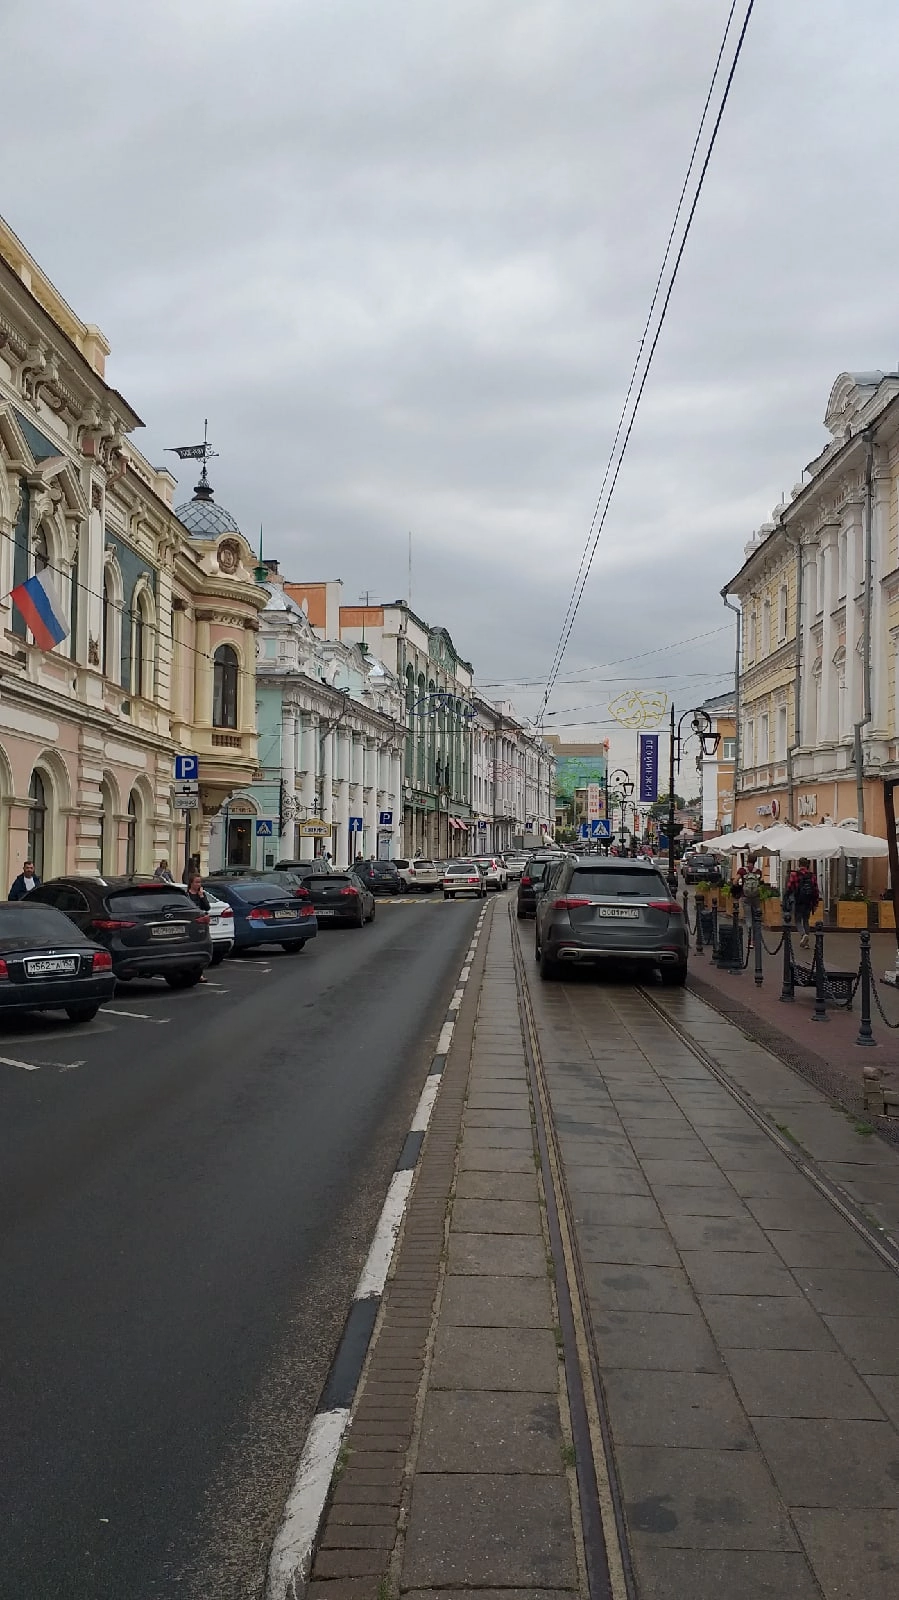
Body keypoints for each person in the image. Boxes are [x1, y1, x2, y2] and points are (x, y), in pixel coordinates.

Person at [785, 856, 820, 947]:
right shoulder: (812, 875)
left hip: (798, 900)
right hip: (808, 901)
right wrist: (816, 903)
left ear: (799, 864)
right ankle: (806, 942)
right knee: (806, 920)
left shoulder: (795, 874)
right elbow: (816, 890)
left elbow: (790, 887)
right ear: (807, 864)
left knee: (797, 920)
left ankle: (803, 935)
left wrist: (788, 897)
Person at [187, 872, 210, 981]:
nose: (198, 884)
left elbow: (207, 907)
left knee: (200, 947)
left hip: (200, 923)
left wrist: (201, 896)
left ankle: (199, 973)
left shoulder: (201, 894)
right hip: (190, 924)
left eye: (200, 882)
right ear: (191, 883)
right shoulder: (187, 895)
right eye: (196, 882)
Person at [735, 855, 762, 923]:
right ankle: (757, 932)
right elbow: (760, 883)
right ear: (755, 861)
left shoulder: (742, 870)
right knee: (757, 916)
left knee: (748, 916)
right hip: (756, 896)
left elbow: (735, 881)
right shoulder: (758, 871)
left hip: (745, 896)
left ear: (747, 860)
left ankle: (749, 930)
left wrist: (739, 888)